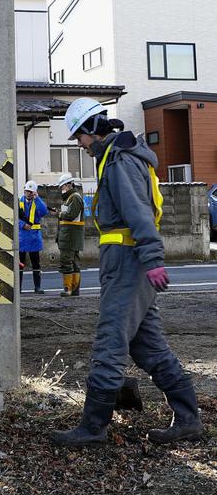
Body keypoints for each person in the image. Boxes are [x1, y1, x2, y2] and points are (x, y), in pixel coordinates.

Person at [51, 98, 203, 447]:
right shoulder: (116, 158)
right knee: (148, 346)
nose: (79, 144)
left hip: (129, 260)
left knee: (110, 341)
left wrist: (152, 259)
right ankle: (188, 419)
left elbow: (139, 212)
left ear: (92, 128)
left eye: (79, 136)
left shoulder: (119, 162)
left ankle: (93, 427)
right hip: (125, 261)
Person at [55, 173, 85, 297]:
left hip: (70, 236)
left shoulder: (75, 198)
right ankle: (74, 290)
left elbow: (71, 215)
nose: (62, 189)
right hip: (69, 236)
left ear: (69, 184)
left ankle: (68, 289)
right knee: (73, 262)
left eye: (63, 186)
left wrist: (59, 214)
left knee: (67, 261)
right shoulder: (70, 198)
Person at [18, 180, 48, 295]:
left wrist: (37, 198)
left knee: (36, 264)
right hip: (21, 237)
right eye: (27, 191)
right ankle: (18, 288)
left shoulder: (37, 202)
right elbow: (14, 216)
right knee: (20, 264)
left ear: (34, 192)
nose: (28, 194)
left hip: (34, 237)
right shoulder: (19, 202)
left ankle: (37, 287)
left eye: (31, 192)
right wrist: (22, 224)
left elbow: (43, 212)